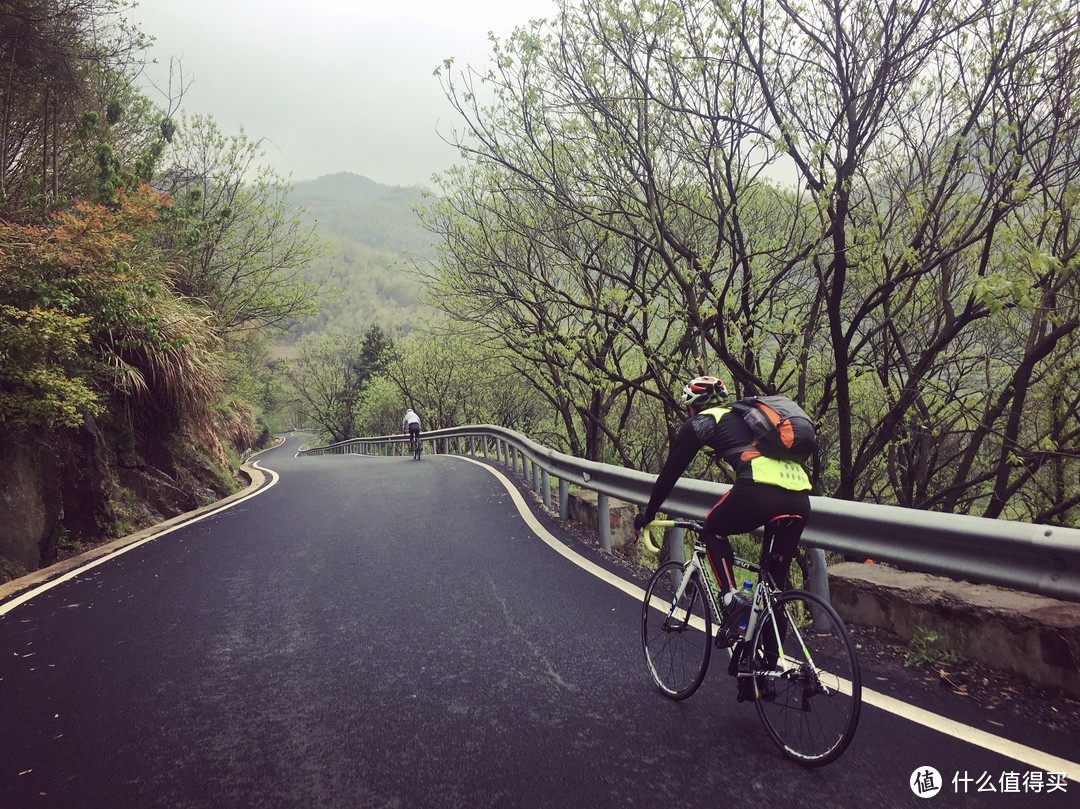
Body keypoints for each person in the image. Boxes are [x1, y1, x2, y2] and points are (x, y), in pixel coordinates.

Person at [632, 375, 812, 701]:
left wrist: (649, 513)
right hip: (799, 498)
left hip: (759, 491)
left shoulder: (702, 422)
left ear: (693, 407)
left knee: (712, 528)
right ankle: (763, 675)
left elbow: (669, 474)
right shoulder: (750, 419)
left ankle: (730, 599)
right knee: (773, 588)